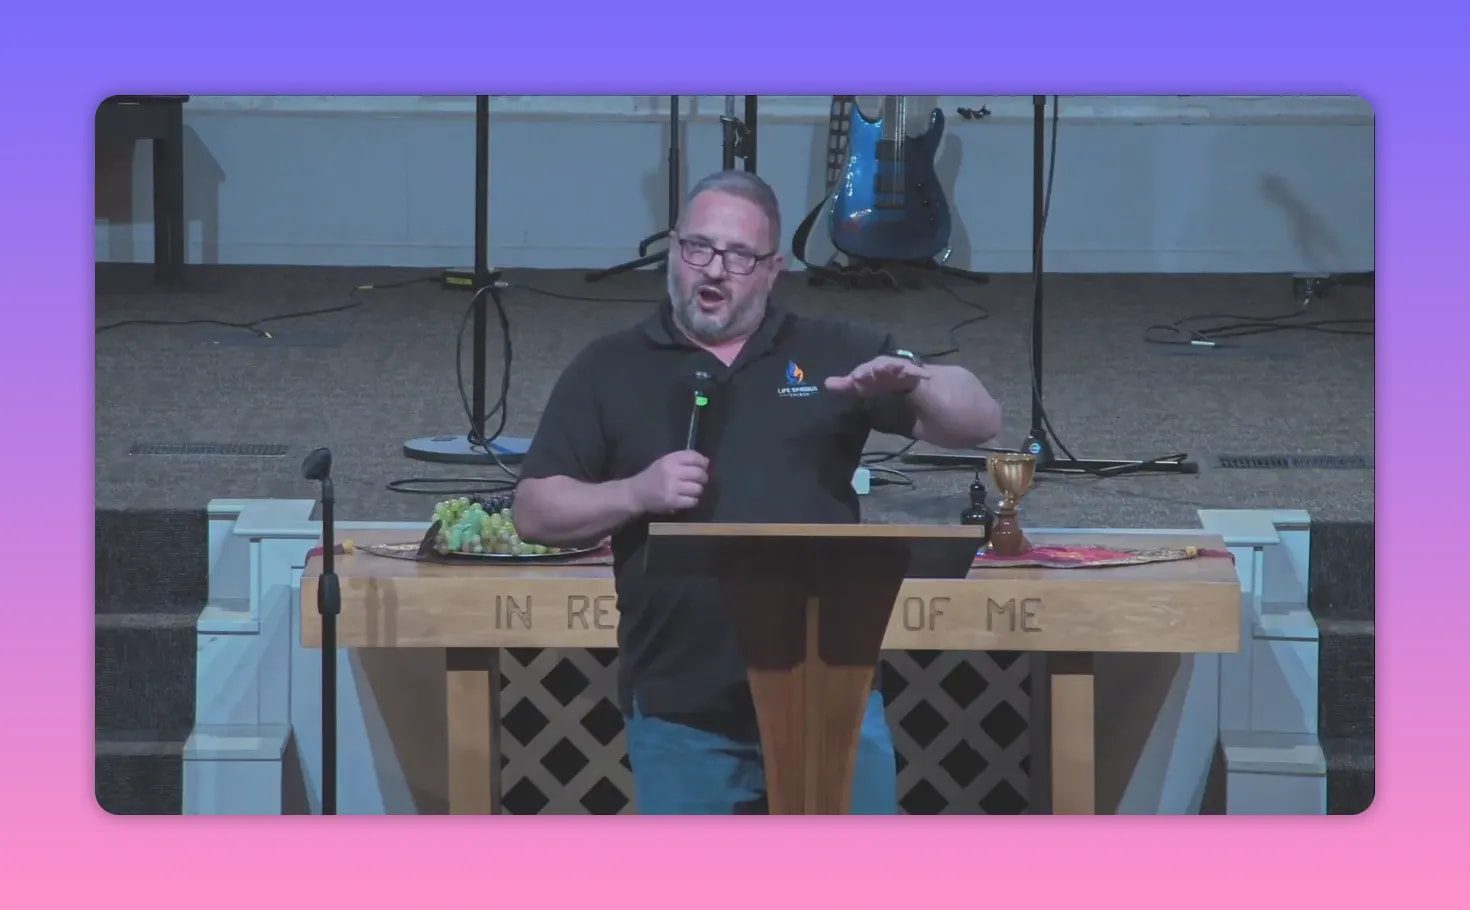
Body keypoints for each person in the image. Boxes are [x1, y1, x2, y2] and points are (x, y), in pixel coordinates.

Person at [513, 170, 1002, 814]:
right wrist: (634, 492)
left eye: (739, 256)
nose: (714, 269)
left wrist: (918, 381)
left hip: (831, 700)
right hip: (682, 709)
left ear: (772, 270)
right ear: (673, 251)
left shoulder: (833, 353)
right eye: (698, 248)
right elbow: (534, 511)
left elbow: (979, 422)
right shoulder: (608, 368)